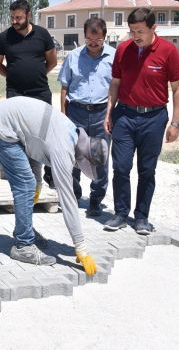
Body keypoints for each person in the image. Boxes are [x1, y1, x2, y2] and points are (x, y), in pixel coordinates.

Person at [0, 96, 106, 275]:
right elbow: (68, 200)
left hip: (11, 121)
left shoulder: (72, 132)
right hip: (1, 126)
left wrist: (39, 182)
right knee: (25, 184)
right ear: (83, 157)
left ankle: (24, 230)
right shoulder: (63, 149)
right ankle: (23, 245)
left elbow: (35, 143)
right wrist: (80, 246)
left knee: (31, 183)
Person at [103, 7, 179, 235]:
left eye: (139, 31)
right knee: (121, 166)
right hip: (125, 116)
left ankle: (141, 218)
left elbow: (177, 89)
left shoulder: (169, 51)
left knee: (147, 170)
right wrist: (109, 113)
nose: (135, 36)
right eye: (131, 31)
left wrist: (175, 123)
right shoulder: (122, 50)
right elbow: (115, 84)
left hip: (154, 118)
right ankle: (120, 214)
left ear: (153, 28)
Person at [0, 0, 59, 201]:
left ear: (28, 15)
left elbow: (52, 61)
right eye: (12, 17)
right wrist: (12, 76)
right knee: (19, 141)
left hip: (40, 94)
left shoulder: (42, 34)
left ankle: (41, 183)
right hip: (15, 95)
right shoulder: (5, 37)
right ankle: (23, 188)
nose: (14, 21)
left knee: (40, 140)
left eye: (18, 17)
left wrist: (36, 75)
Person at [58, 17, 115, 217]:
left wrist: (110, 114)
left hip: (101, 114)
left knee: (100, 157)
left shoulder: (113, 57)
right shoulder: (73, 57)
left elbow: (116, 88)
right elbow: (64, 88)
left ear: (104, 37)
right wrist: (64, 116)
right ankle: (73, 196)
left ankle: (95, 201)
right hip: (77, 113)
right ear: (84, 36)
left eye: (97, 40)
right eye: (89, 39)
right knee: (73, 156)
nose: (92, 43)